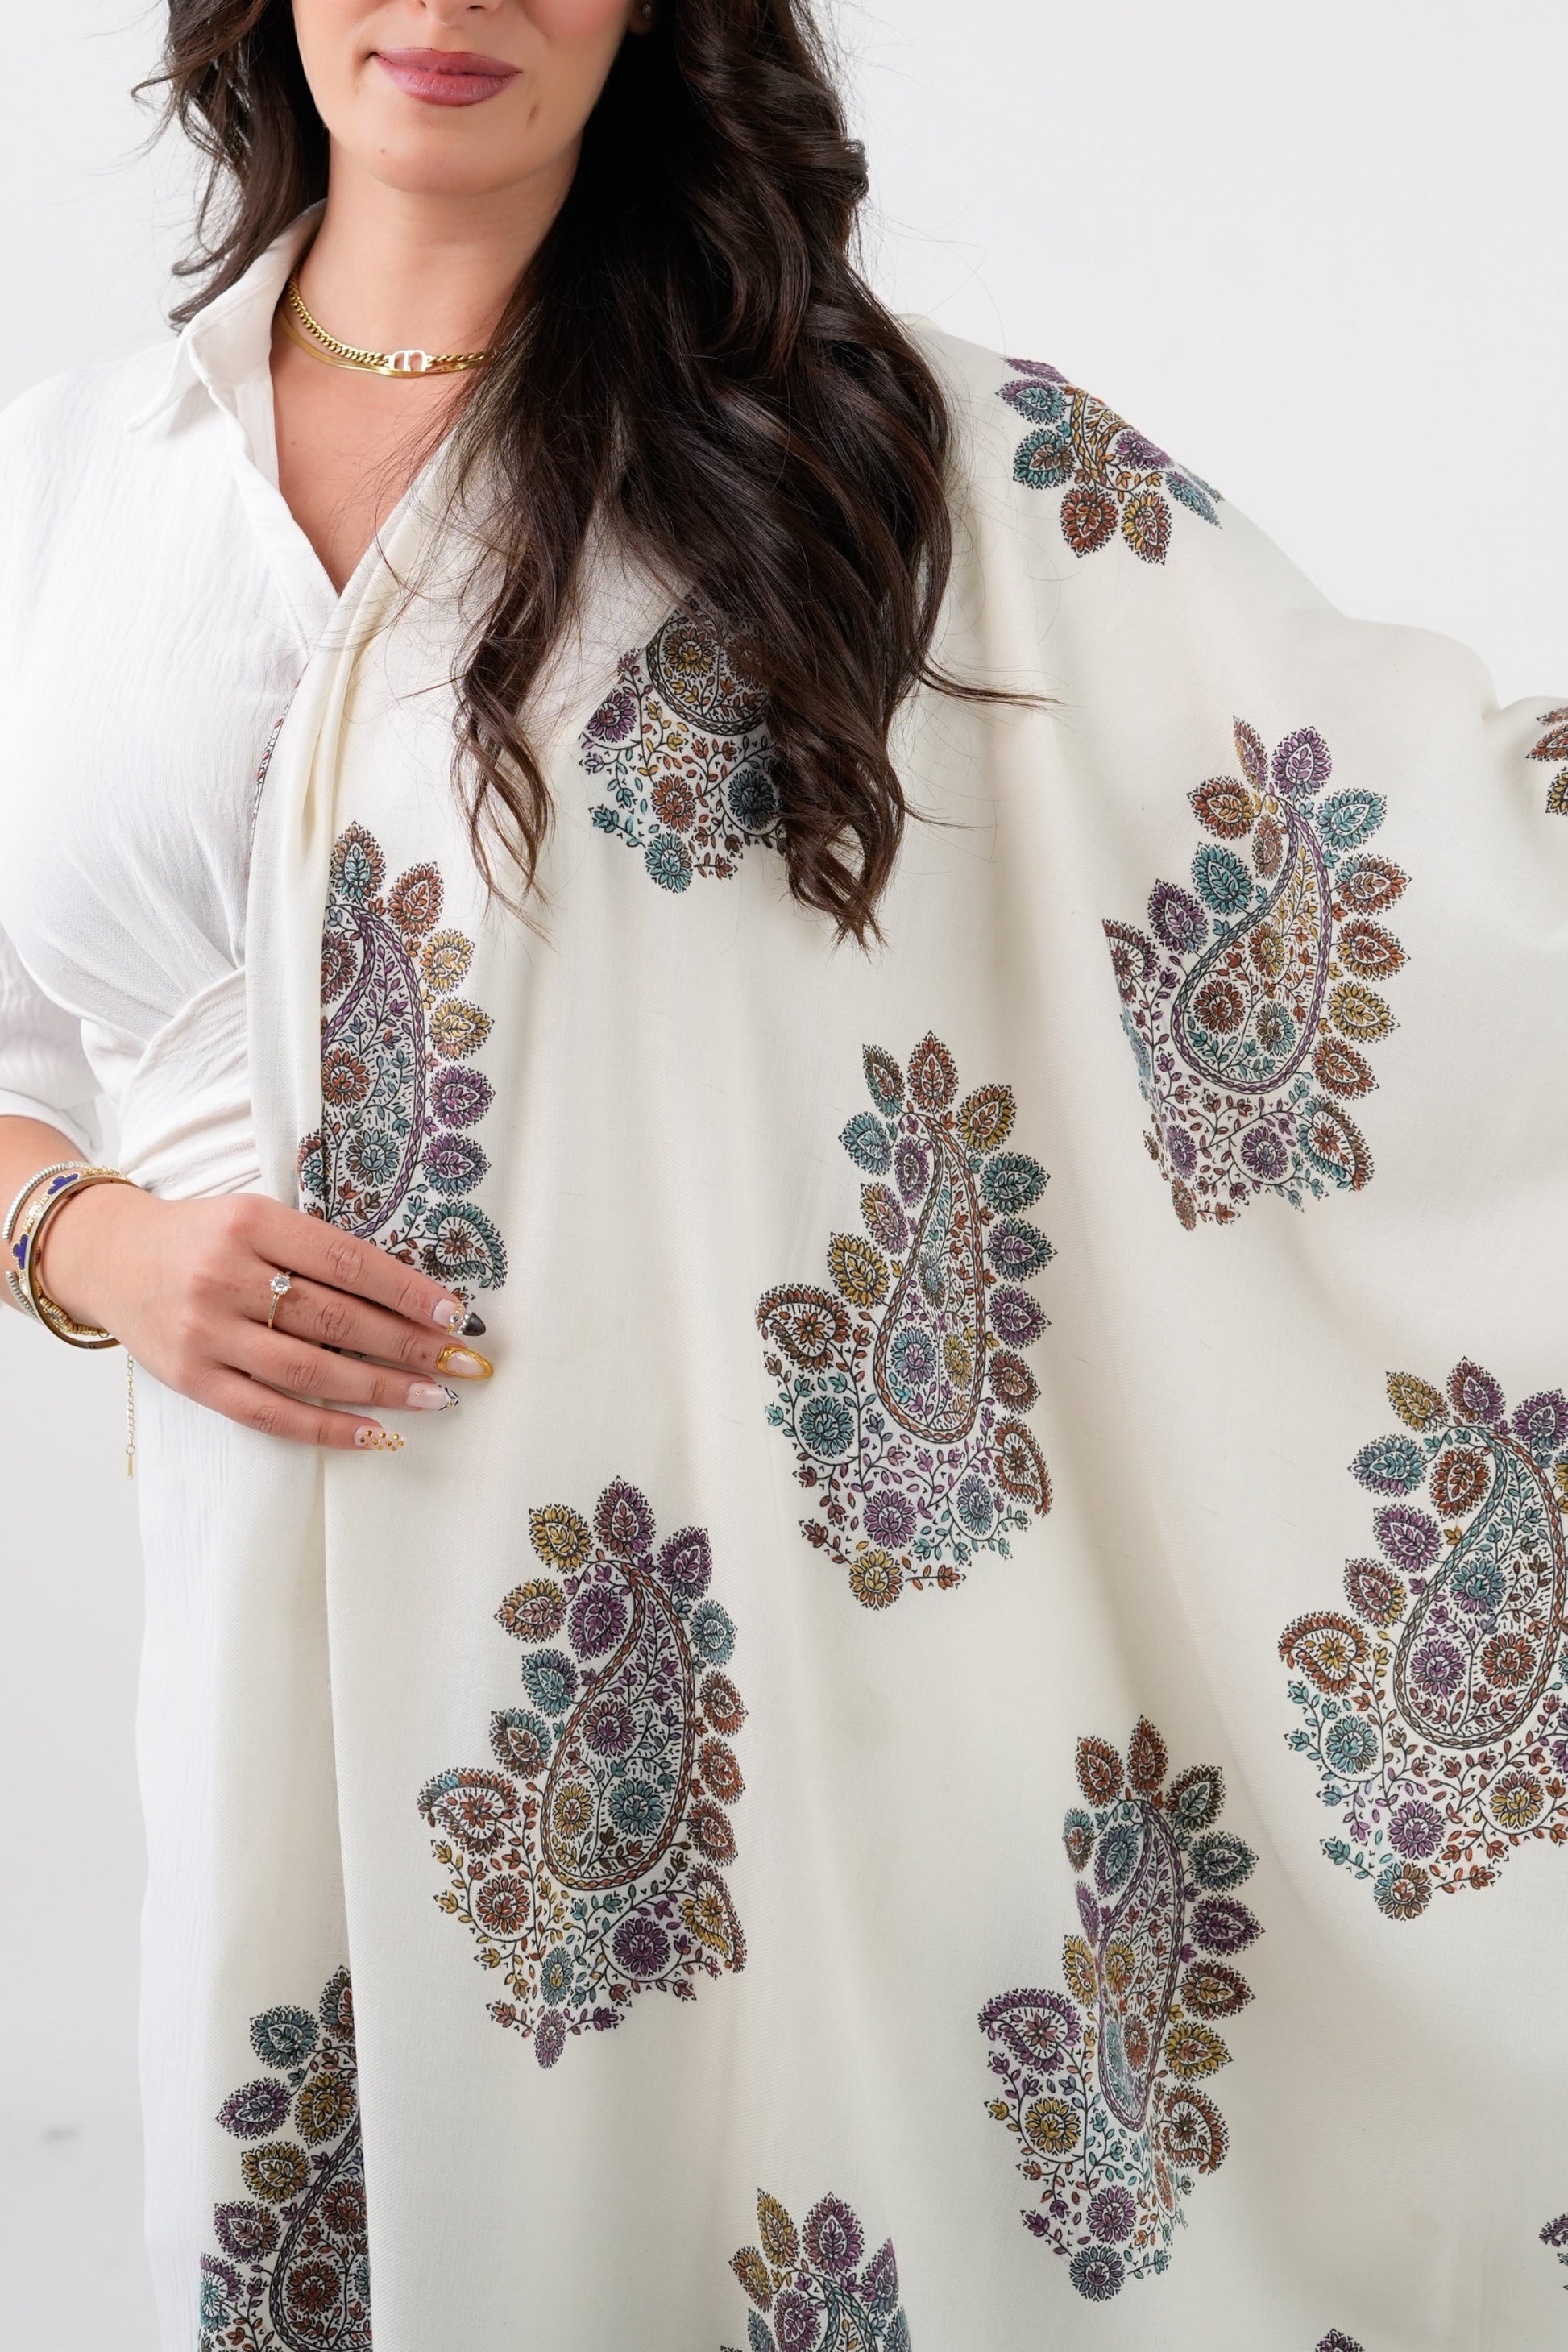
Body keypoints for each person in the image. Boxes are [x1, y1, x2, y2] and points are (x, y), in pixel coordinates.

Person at [2, 4, 1563, 2347]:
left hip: (745, 1613)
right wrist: (90, 1241)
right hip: (259, 1550)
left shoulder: (853, 447)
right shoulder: (74, 481)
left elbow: (1372, 845)